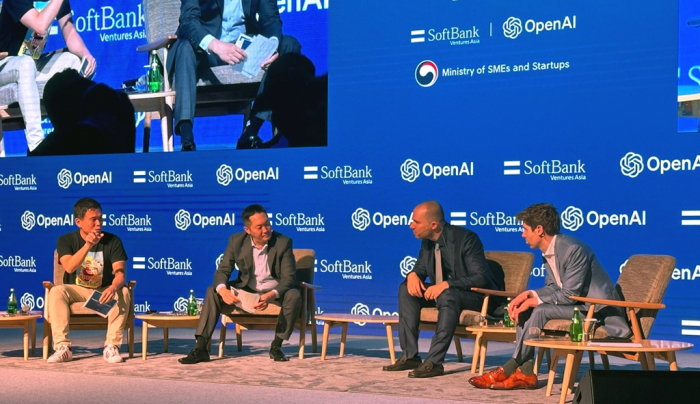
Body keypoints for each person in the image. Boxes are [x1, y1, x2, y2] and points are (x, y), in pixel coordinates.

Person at [468, 203, 631, 390]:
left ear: (539, 230)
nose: (522, 234)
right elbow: (553, 287)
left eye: (525, 229)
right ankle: (527, 373)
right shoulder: (549, 251)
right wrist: (528, 295)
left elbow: (570, 294)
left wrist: (534, 301)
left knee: (541, 309)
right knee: (527, 309)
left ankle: (510, 366)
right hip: (579, 307)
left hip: (598, 312)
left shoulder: (572, 249)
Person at [383, 201, 503, 378]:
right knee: (406, 289)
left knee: (448, 295)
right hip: (446, 293)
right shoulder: (427, 243)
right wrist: (412, 275)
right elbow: (420, 269)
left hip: (476, 297)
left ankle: (434, 362)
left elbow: (480, 277)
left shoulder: (467, 239)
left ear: (433, 225)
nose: (411, 225)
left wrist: (447, 284)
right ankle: (410, 356)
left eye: (416, 222)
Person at [168, 0, 301, 151]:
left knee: (289, 45)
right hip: (207, 49)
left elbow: (270, 19)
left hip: (244, 49)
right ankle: (187, 139)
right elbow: (188, 20)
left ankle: (250, 132)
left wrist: (271, 47)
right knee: (185, 48)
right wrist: (217, 46)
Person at [179, 204, 301, 364]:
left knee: (294, 294)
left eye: (267, 224)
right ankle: (201, 348)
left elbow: (289, 278)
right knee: (213, 291)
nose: (266, 230)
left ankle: (276, 346)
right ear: (248, 230)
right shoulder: (236, 241)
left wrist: (271, 295)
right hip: (247, 289)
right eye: (260, 227)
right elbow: (223, 271)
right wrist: (222, 290)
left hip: (274, 292)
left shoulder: (283, 242)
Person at [0, 0, 95, 153]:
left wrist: (86, 55)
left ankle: (71, 138)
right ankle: (36, 146)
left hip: (31, 64)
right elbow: (40, 25)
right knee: (25, 64)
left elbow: (69, 32)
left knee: (73, 62)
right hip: (4, 66)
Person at [47, 198, 130, 363]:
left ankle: (111, 347)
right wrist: (88, 245)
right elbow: (69, 267)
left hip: (103, 292)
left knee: (124, 291)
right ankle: (63, 348)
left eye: (100, 218)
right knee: (56, 291)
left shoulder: (113, 241)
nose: (98, 223)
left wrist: (113, 288)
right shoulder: (66, 240)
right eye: (93, 219)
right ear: (79, 222)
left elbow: (120, 274)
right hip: (77, 291)